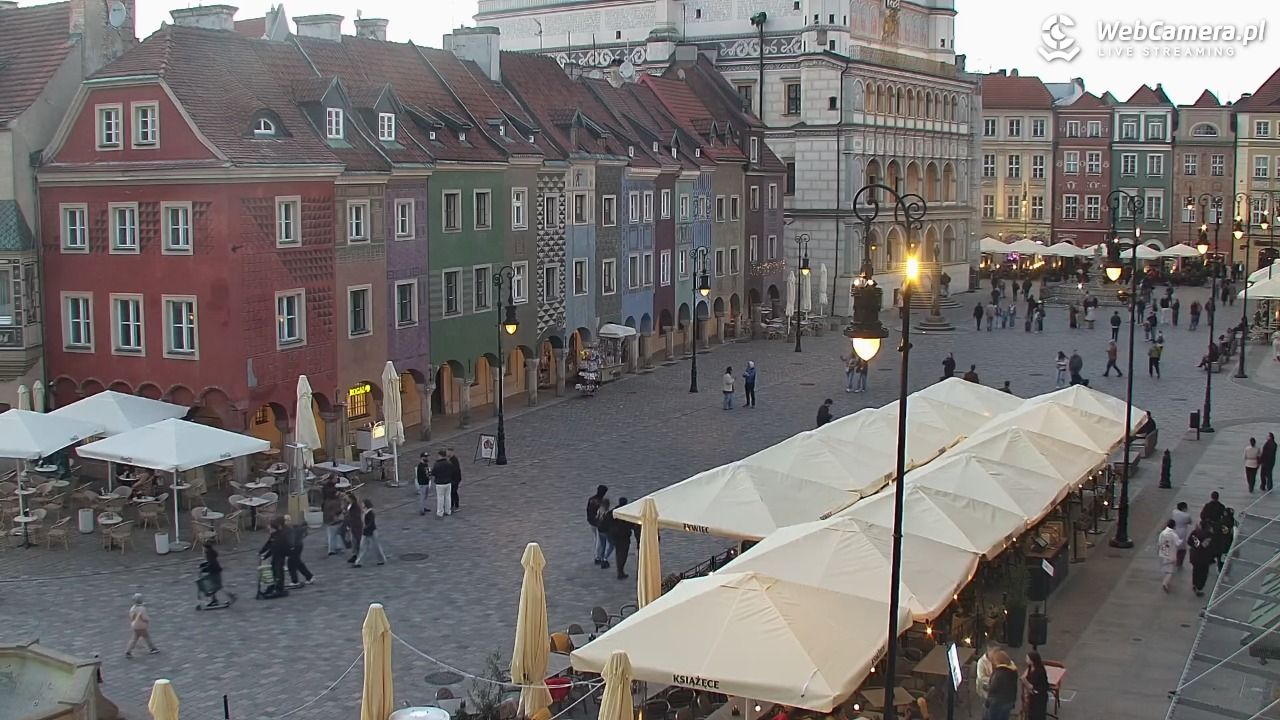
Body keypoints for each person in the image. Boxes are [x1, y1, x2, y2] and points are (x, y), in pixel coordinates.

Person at [606, 497, 640, 580]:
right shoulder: (626, 512)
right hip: (624, 536)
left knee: (618, 552)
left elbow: (607, 520)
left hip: (615, 536)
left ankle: (620, 570)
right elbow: (631, 524)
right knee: (623, 554)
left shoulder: (614, 511)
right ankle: (620, 571)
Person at [984, 650, 1019, 720]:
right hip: (1009, 700)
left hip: (998, 702)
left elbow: (993, 688)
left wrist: (986, 687)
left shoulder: (999, 673)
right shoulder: (1013, 671)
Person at [353, 499, 387, 567]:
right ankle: (358, 562)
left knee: (376, 547)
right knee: (363, 547)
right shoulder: (365, 512)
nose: (361, 504)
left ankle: (381, 560)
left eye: (362, 503)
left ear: (366, 504)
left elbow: (371, 522)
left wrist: (366, 527)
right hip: (365, 532)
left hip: (372, 532)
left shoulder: (370, 512)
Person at [260, 516, 289, 595]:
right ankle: (276, 585)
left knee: (279, 570)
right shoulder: (274, 534)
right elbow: (268, 544)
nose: (269, 530)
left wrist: (265, 556)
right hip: (276, 555)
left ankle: (280, 588)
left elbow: (273, 548)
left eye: (270, 528)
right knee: (274, 569)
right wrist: (261, 552)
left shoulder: (280, 535)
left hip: (280, 555)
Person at [124, 593, 159, 658]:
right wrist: (148, 620)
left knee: (134, 638)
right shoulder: (142, 608)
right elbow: (144, 617)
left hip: (135, 626)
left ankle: (128, 651)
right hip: (142, 626)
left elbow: (131, 617)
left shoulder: (132, 608)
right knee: (147, 637)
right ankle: (153, 648)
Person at [1188, 520, 1216, 596]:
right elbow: (1212, 547)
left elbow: (1190, 542)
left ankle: (1195, 584)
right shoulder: (1210, 535)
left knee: (1196, 570)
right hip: (1204, 558)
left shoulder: (1195, 533)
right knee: (1203, 573)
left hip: (1194, 556)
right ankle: (1199, 588)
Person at [284, 516, 314, 586]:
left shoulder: (291, 529)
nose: (286, 522)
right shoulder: (295, 528)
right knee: (296, 562)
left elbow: (291, 539)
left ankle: (297, 580)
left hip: (295, 547)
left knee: (293, 563)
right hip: (297, 546)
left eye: (287, 520)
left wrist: (290, 547)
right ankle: (308, 577)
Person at [1022, 651, 1051, 720]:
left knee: (1037, 715)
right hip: (1033, 695)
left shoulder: (1039, 671)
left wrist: (1024, 680)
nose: (1026, 659)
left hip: (1039, 695)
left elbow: (1031, 685)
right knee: (1031, 713)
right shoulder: (1030, 667)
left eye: (1027, 658)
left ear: (1032, 660)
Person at [587, 485, 610, 568]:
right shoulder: (601, 502)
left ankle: (598, 556)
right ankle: (598, 557)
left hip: (591, 522)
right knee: (599, 541)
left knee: (597, 539)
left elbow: (588, 510)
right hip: (598, 523)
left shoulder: (591, 499)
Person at [1158, 519, 1180, 593]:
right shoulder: (1173, 535)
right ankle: (1165, 583)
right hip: (1171, 555)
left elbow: (1159, 542)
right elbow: (1178, 543)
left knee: (1165, 567)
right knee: (1170, 571)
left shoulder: (1162, 533)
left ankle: (1166, 579)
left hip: (1163, 553)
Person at [322, 485, 345, 556]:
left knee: (331, 536)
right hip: (335, 520)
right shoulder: (336, 502)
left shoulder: (326, 501)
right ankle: (337, 547)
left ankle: (331, 549)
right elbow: (338, 510)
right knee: (338, 534)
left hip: (328, 520)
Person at [431, 450, 454, 517]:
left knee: (440, 498)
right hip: (448, 482)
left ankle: (440, 512)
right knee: (448, 497)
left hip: (440, 483)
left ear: (440, 455)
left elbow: (433, 473)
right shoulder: (449, 463)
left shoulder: (437, 464)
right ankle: (448, 511)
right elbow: (452, 471)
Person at [1172, 501, 1193, 568]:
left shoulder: (1174, 512)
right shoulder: (1186, 515)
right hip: (1182, 531)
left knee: (1175, 546)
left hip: (1174, 529)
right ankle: (1179, 562)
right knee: (1182, 548)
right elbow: (1190, 522)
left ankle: (1173, 559)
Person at [344, 493, 363, 563]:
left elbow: (355, 517)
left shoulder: (355, 507)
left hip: (356, 526)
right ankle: (355, 554)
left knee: (357, 540)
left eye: (347, 498)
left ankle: (358, 555)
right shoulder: (349, 505)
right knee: (353, 541)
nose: (346, 499)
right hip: (352, 526)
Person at [448, 447, 462, 512]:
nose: (448, 453)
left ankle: (455, 506)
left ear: (452, 452)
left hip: (455, 480)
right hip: (454, 479)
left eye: (449, 452)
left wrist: (454, 480)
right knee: (453, 492)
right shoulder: (451, 459)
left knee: (453, 492)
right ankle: (452, 505)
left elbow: (455, 471)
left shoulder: (454, 460)